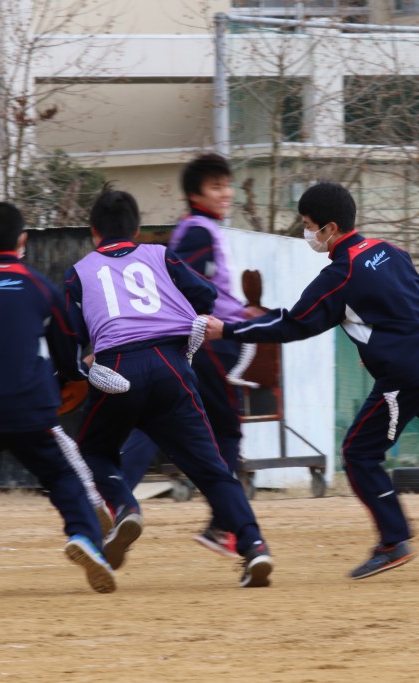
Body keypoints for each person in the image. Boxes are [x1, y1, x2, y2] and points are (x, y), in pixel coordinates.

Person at [205, 181, 419, 581]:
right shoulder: (392, 251)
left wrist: (228, 330)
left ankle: (393, 541)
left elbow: (293, 324)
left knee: (358, 452)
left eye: (308, 225)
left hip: (407, 375)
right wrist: (376, 346)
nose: (307, 233)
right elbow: (408, 305)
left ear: (330, 228)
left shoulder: (339, 274)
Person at [63, 186, 273, 588]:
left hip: (118, 368)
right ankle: (255, 546)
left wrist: (74, 372)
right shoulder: (159, 254)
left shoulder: (79, 272)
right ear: (136, 229)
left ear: (93, 232)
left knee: (94, 449)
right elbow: (206, 294)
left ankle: (125, 507)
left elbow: (70, 337)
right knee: (212, 470)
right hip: (171, 367)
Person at [0, 201, 116, 596]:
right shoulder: (43, 288)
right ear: (23, 240)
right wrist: (73, 379)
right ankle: (84, 536)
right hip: (30, 403)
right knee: (61, 476)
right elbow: (66, 353)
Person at [167, 152, 249, 558]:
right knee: (227, 432)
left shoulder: (198, 228)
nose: (226, 192)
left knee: (212, 432)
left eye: (227, 184)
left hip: (210, 339)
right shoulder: (198, 231)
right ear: (195, 194)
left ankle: (223, 522)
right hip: (213, 340)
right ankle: (223, 525)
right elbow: (191, 285)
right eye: (216, 186)